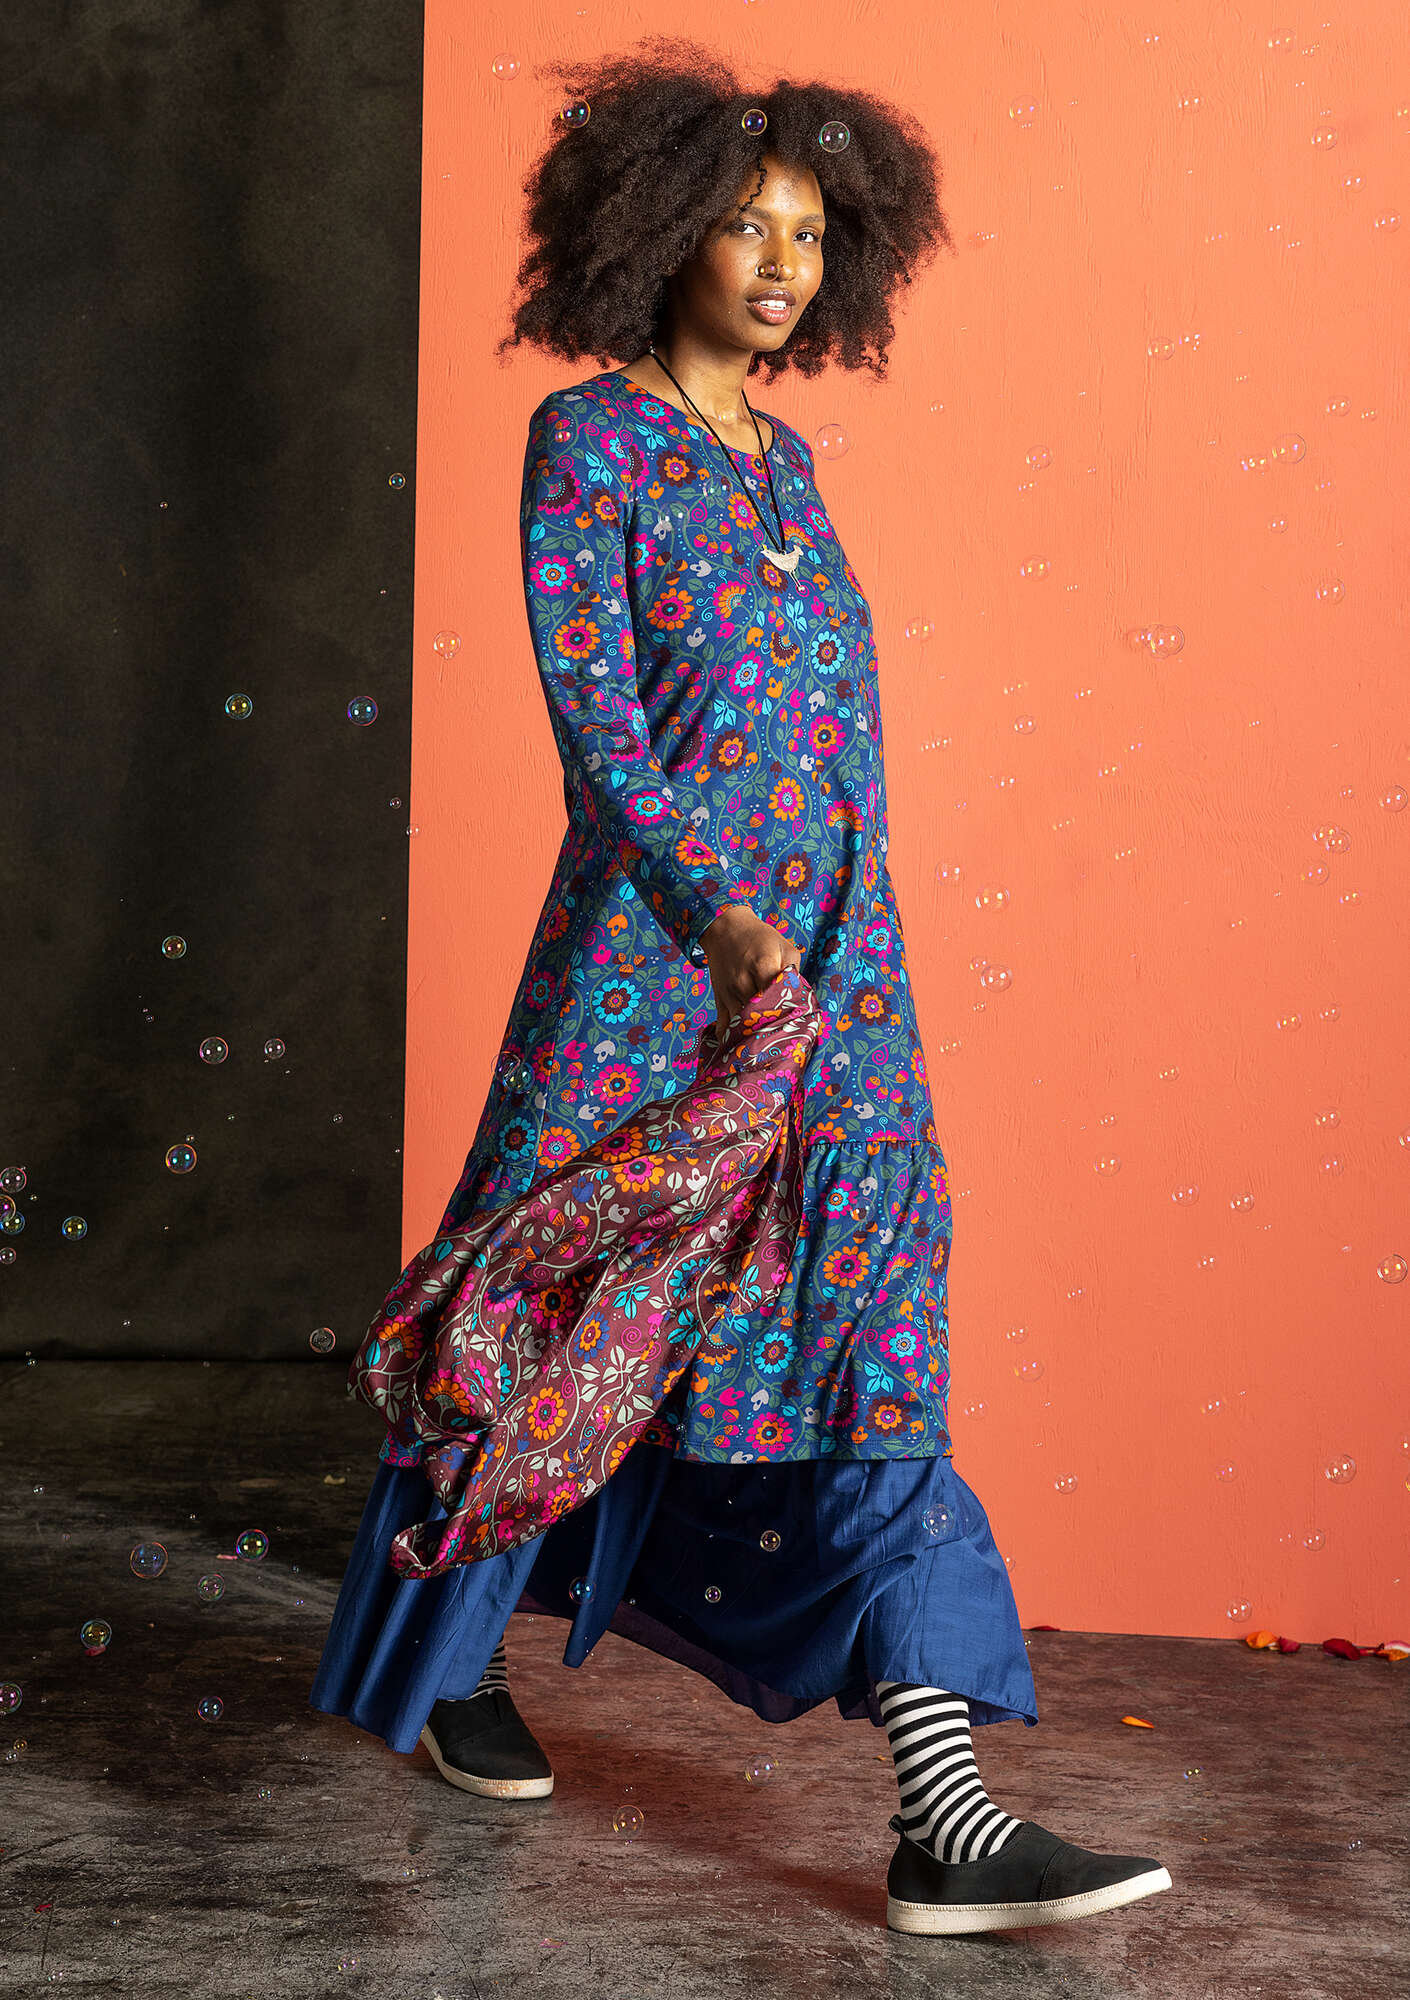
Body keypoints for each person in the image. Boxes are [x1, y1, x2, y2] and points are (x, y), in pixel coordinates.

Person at [311, 37, 1172, 1936]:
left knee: (867, 1337)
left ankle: (944, 1818)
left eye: (805, 234)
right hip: (650, 977)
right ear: (655, 234)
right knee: (558, 1315)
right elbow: (603, 738)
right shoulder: (588, 443)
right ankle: (450, 1666)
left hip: (838, 985)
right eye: (741, 226)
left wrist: (844, 952)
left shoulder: (787, 466)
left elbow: (840, 750)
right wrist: (710, 916)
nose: (778, 263)